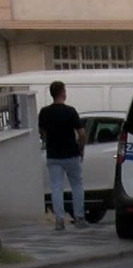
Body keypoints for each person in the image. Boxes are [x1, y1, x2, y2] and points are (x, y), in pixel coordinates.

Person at [38, 81, 87, 230]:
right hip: (71, 153)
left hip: (53, 155)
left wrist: (48, 142)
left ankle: (59, 220)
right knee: (77, 185)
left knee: (56, 187)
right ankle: (79, 218)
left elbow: (42, 132)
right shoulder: (71, 111)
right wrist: (81, 148)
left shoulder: (44, 112)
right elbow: (82, 133)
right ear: (62, 93)